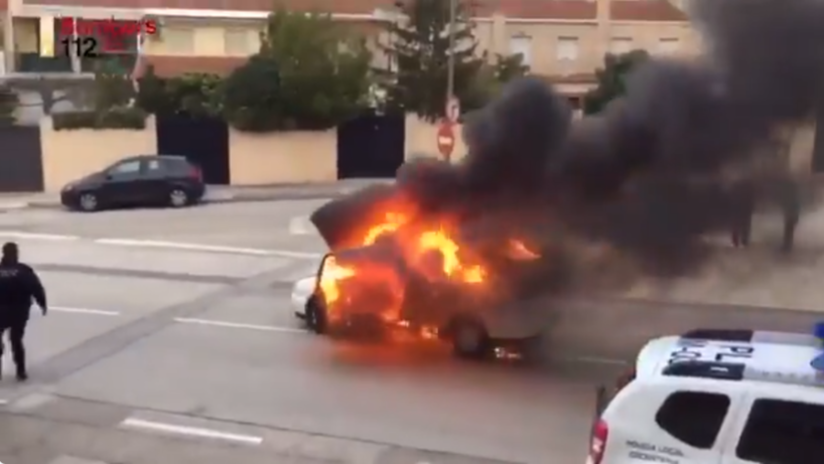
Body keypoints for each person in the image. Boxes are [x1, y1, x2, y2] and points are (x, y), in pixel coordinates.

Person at [0, 242, 47, 381]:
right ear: (16, 253)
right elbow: (36, 287)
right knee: (16, 340)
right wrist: (42, 303)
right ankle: (21, 371)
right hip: (19, 311)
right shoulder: (24, 270)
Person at [730, 179, 755, 248]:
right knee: (745, 224)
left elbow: (732, 196)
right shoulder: (750, 186)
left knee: (736, 224)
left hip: (737, 206)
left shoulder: (735, 186)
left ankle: (736, 241)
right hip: (745, 207)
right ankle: (744, 241)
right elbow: (751, 198)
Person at [778, 176, 800, 253]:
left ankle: (787, 245)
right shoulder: (794, 196)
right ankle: (787, 245)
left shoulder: (791, 196)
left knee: (788, 230)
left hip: (790, 215)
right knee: (789, 231)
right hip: (791, 215)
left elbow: (789, 205)